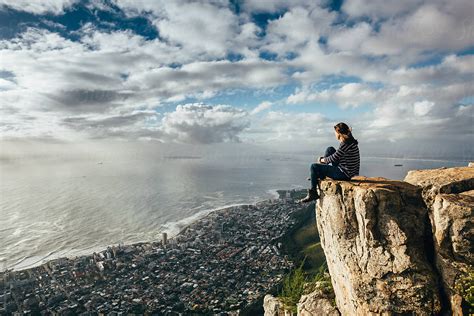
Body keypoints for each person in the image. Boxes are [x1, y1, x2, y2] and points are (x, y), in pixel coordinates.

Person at [299, 122, 360, 203]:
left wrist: (322, 160)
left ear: (339, 133)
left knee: (313, 166)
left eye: (335, 132)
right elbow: (336, 155)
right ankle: (318, 174)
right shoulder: (350, 142)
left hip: (344, 174)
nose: (334, 134)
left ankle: (313, 193)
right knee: (330, 149)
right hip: (348, 171)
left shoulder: (345, 144)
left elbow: (334, 158)